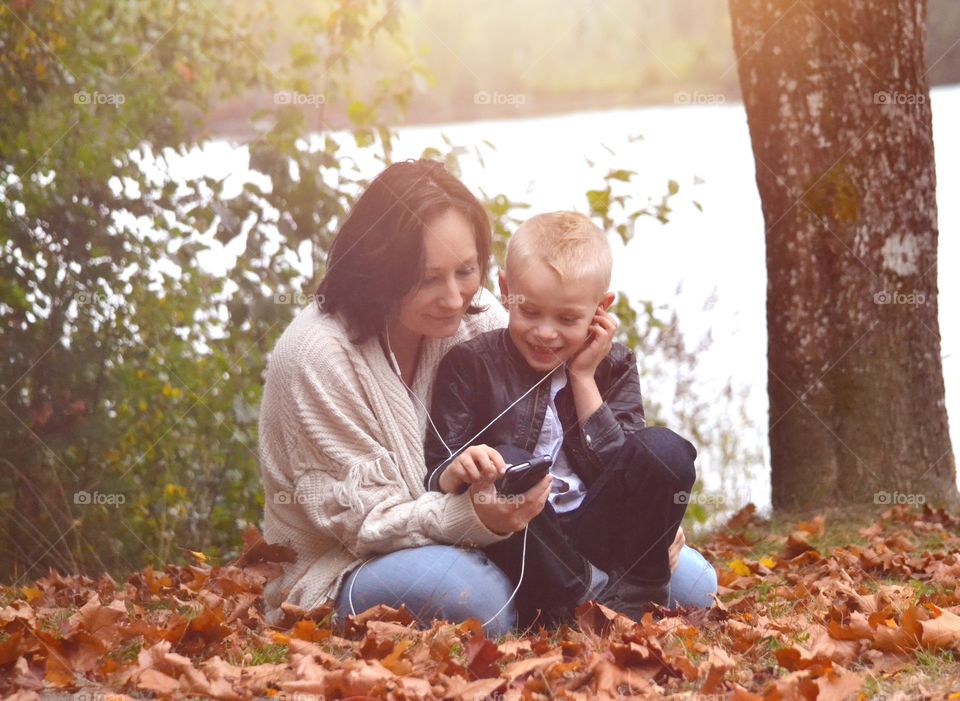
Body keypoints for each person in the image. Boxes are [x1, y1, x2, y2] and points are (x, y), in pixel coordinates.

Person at [257, 161, 706, 637]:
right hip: (351, 561)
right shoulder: (318, 357)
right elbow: (366, 524)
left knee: (695, 585)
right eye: (428, 278)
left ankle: (584, 595)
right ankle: (577, 601)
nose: (454, 298)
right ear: (380, 268)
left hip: (499, 535)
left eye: (466, 271)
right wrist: (476, 517)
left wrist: (645, 516)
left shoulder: (480, 314)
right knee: (480, 600)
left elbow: (576, 440)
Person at [423, 211, 715, 627]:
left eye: (566, 319)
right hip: (524, 534)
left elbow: (627, 465)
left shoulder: (613, 366)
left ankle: (640, 593)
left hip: (597, 529)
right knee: (507, 459)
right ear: (506, 291)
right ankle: (578, 601)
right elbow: (435, 469)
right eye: (531, 312)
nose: (545, 333)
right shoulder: (471, 363)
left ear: (601, 309)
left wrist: (582, 377)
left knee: (665, 449)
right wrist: (459, 469)